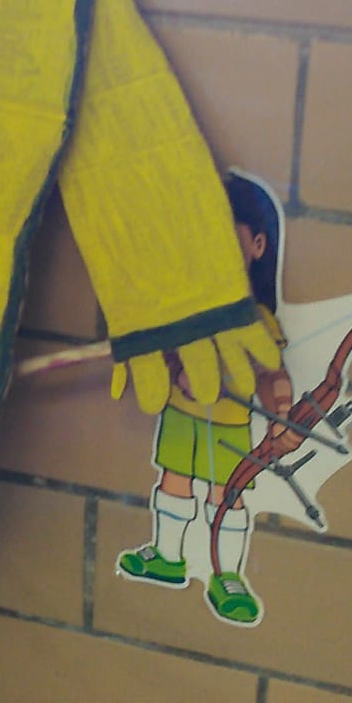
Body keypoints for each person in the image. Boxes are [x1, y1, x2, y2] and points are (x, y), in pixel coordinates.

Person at [117, 172, 292, 625]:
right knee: (174, 481)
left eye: (227, 238)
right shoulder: (188, 310)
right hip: (182, 415)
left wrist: (281, 414)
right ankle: (167, 555)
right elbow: (168, 352)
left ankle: (226, 575)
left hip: (229, 424)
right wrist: (175, 369)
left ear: (257, 245)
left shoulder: (257, 319)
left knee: (225, 496)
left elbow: (273, 372)